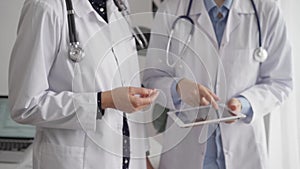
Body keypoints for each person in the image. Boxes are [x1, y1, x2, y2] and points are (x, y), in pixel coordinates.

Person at [143, 0, 293, 168]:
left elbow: (280, 81)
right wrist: (177, 89)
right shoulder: (171, 10)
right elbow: (152, 78)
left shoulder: (266, 10)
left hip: (244, 152)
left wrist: (245, 104)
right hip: (185, 154)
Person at [9, 0, 157, 169]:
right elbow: (26, 105)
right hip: (75, 162)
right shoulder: (46, 7)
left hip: (128, 159)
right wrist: (102, 101)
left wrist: (142, 157)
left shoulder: (119, 6)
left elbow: (129, 95)